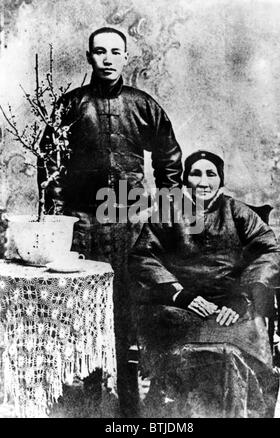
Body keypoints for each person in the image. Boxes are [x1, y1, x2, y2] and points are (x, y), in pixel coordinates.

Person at [37, 27, 182, 417]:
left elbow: (169, 160)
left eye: (114, 52)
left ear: (125, 57)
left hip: (130, 219)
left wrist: (165, 220)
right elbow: (48, 164)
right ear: (89, 57)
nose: (107, 59)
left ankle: (132, 402)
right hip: (82, 220)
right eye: (99, 52)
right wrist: (56, 219)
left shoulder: (142, 105)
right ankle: (87, 396)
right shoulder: (70, 105)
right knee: (85, 307)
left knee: (129, 305)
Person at [129, 147, 280, 418]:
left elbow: (269, 252)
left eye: (210, 174)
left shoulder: (240, 213)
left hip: (232, 307)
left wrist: (241, 298)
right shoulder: (168, 212)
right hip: (179, 307)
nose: (203, 181)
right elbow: (142, 256)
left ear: (221, 181)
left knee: (232, 352)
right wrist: (180, 295)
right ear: (186, 179)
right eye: (196, 174)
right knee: (181, 357)